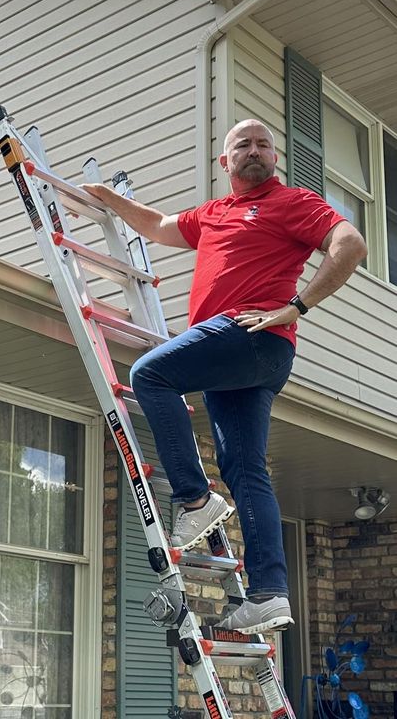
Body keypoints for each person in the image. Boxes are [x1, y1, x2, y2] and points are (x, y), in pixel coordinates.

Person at [83, 119, 367, 634]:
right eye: (244, 144)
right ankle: (268, 595)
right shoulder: (215, 213)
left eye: (264, 144)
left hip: (253, 336)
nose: (255, 151)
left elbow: (350, 244)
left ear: (275, 157)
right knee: (245, 469)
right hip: (237, 358)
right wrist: (107, 198)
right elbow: (158, 225)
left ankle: (193, 498)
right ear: (225, 160)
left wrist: (297, 305)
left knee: (150, 375)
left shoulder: (293, 202)